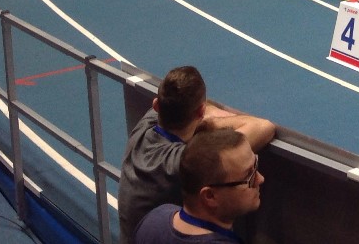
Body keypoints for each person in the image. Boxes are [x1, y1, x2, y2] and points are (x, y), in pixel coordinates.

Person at [117, 66, 275, 244]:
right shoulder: (185, 159)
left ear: (156, 105)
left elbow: (180, 100)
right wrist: (214, 122)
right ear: (200, 112)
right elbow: (264, 127)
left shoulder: (144, 127)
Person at [133, 128, 263, 244]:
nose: (260, 179)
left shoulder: (153, 220)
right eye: (249, 176)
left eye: (255, 166)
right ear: (210, 196)